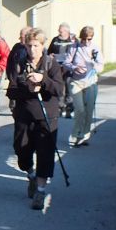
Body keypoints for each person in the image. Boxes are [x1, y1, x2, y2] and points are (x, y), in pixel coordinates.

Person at [8, 28, 64, 210]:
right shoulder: (20, 64)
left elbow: (59, 90)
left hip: (47, 118)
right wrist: (28, 90)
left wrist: (43, 81)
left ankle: (40, 190)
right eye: (29, 45)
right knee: (21, 150)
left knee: (45, 154)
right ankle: (31, 175)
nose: (33, 50)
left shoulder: (51, 65)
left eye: (36, 46)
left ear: (43, 46)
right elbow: (11, 91)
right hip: (24, 116)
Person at [64, 25, 104, 147]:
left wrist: (92, 65)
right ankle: (76, 135)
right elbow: (66, 62)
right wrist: (75, 67)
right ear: (80, 38)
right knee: (80, 110)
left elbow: (101, 66)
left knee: (88, 110)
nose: (86, 42)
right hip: (76, 82)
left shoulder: (95, 49)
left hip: (91, 82)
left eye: (89, 39)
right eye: (84, 39)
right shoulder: (74, 47)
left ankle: (85, 136)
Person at [48, 23, 77, 118]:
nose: (59, 33)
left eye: (61, 31)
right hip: (57, 67)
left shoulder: (73, 40)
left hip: (69, 68)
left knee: (69, 88)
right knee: (59, 87)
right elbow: (49, 52)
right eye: (59, 31)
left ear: (67, 31)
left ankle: (69, 110)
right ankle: (60, 108)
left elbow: (77, 53)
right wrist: (51, 55)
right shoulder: (55, 40)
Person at [6, 27, 32, 115]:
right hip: (14, 77)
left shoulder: (32, 48)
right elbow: (9, 60)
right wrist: (9, 74)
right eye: (20, 36)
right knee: (13, 96)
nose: (20, 38)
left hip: (26, 79)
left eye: (22, 36)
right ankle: (14, 109)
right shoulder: (17, 46)